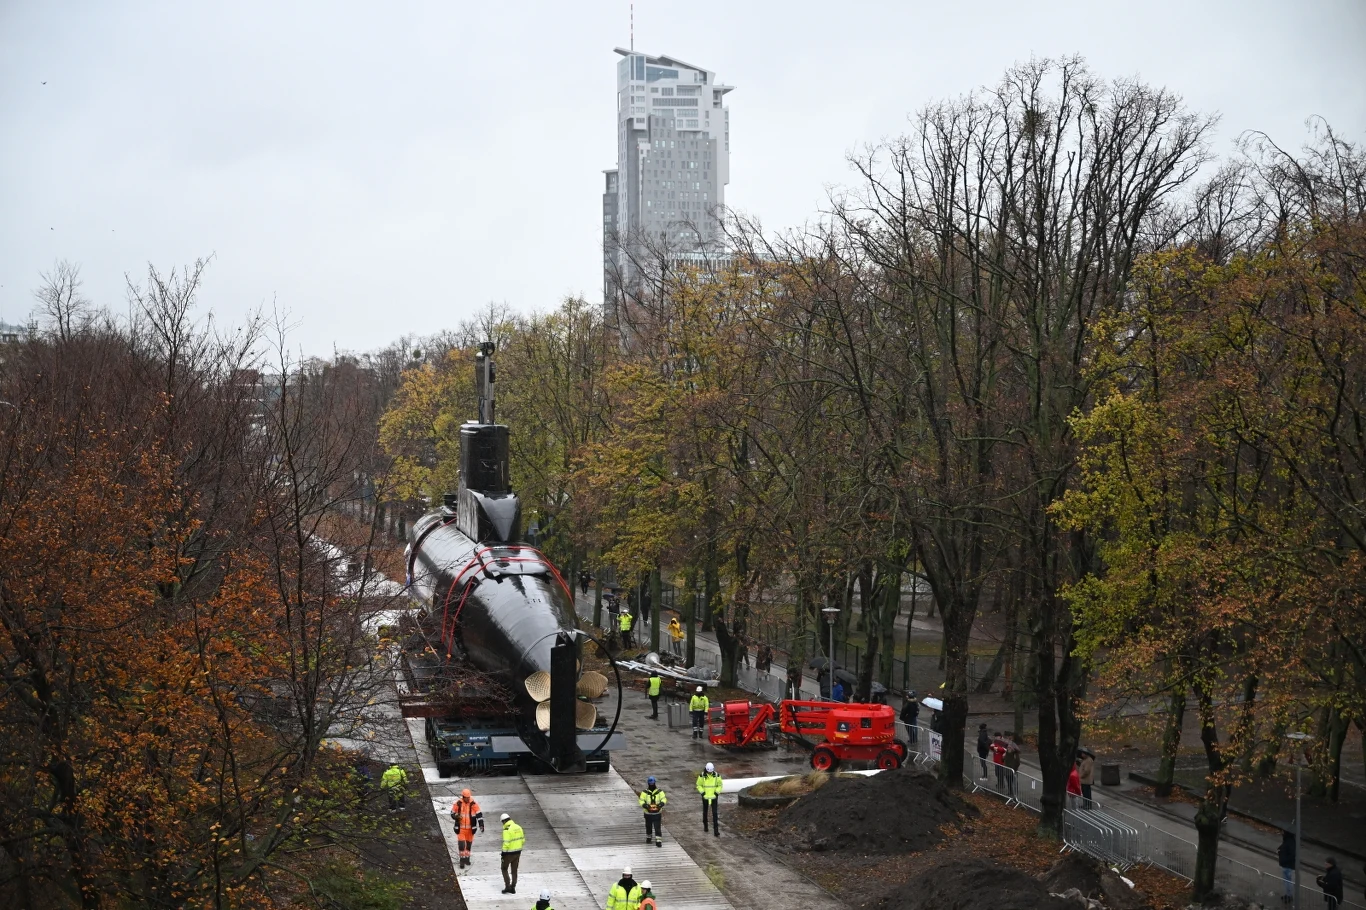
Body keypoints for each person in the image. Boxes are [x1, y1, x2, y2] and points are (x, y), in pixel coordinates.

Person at [450, 787, 485, 868]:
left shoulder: (473, 804)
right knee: (461, 845)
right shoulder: (458, 804)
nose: (468, 799)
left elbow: (479, 814)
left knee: (468, 846)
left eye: (469, 797)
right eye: (466, 798)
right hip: (461, 829)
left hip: (470, 829)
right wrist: (456, 817)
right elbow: (452, 813)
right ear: (463, 797)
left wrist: (481, 824)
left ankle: (467, 858)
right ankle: (462, 861)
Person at [639, 775, 668, 847]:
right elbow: (641, 800)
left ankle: (658, 840)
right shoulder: (644, 792)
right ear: (648, 784)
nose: (651, 785)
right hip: (648, 813)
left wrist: (661, 804)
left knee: (657, 827)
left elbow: (664, 799)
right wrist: (645, 805)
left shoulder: (659, 792)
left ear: (655, 783)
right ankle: (649, 837)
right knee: (648, 826)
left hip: (657, 813)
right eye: (650, 784)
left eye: (652, 784)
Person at [500, 812, 524, 894]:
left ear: (503, 821)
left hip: (508, 854)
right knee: (514, 870)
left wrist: (503, 853)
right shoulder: (518, 827)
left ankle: (507, 886)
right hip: (518, 852)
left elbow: (506, 843)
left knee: (504, 868)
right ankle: (513, 887)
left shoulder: (506, 830)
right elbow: (523, 840)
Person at [697, 761, 723, 837]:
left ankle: (716, 830)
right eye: (708, 772)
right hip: (705, 797)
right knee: (705, 812)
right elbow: (699, 785)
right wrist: (702, 793)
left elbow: (720, 785)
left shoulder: (717, 775)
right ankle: (705, 825)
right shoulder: (702, 776)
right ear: (706, 770)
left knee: (715, 813)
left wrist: (716, 793)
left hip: (714, 797)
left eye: (710, 772)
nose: (709, 773)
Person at [1277, 829, 1296, 905]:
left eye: (1283, 832)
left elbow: (1292, 855)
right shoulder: (1288, 840)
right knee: (1286, 881)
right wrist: (1280, 849)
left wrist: (1283, 858)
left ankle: (1289, 896)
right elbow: (1284, 846)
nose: (1282, 833)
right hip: (1286, 864)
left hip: (1288, 865)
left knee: (1287, 881)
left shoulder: (1289, 842)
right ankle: (1287, 894)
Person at [1004, 733, 1022, 798]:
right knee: (1008, 781)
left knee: (1014, 782)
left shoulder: (1015, 755)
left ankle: (1015, 794)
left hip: (1012, 770)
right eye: (1008, 747)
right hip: (1007, 769)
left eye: (1010, 747)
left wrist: (1014, 769)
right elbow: (1004, 759)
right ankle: (1010, 792)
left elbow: (1018, 762)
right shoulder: (1007, 753)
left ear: (1013, 749)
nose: (1008, 748)